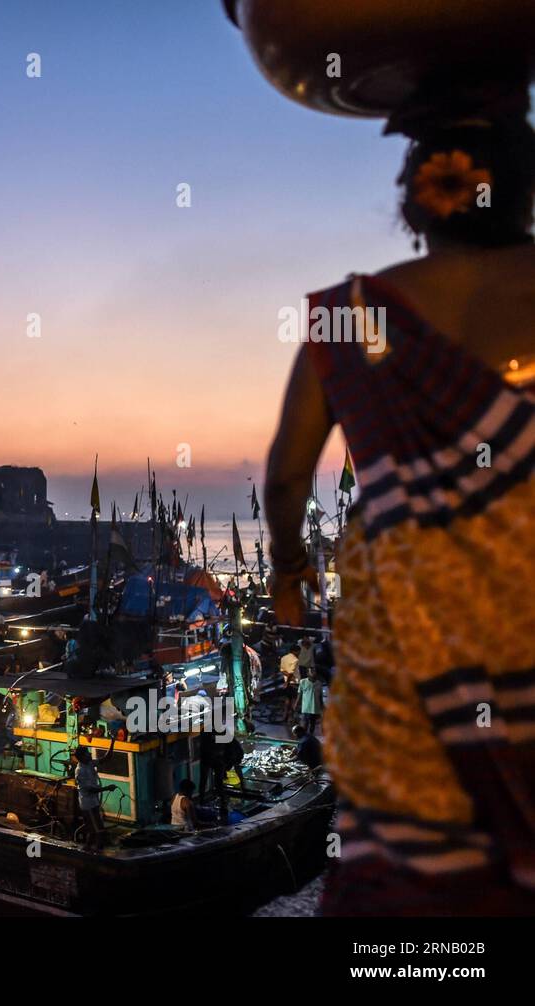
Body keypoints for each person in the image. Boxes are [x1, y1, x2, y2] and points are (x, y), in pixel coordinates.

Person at [264, 79, 535, 916]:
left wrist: (287, 571)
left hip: (407, 674)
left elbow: (285, 476)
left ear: (413, 206)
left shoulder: (349, 317)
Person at [71, 746, 104, 849]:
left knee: (95, 827)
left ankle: (88, 847)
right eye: (87, 753)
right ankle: (96, 850)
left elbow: (106, 759)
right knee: (96, 829)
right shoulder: (80, 770)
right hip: (87, 804)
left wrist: (112, 742)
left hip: (94, 801)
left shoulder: (89, 764)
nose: (89, 754)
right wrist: (107, 788)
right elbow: (89, 789)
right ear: (81, 757)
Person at [297, 666, 324, 736]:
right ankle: (304, 736)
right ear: (307, 673)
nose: (313, 673)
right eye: (311, 671)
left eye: (314, 671)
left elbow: (320, 696)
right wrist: (297, 703)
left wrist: (322, 706)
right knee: (305, 723)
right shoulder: (303, 682)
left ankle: (310, 736)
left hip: (315, 708)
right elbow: (300, 694)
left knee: (312, 724)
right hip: (306, 707)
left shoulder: (319, 683)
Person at [279, 644, 300, 723]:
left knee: (287, 699)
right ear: (295, 651)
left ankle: (285, 716)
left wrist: (286, 682)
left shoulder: (283, 658)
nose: (299, 653)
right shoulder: (295, 660)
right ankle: (292, 717)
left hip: (287, 682)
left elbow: (282, 670)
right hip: (294, 682)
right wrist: (288, 682)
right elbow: (291, 673)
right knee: (294, 701)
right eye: (299, 652)